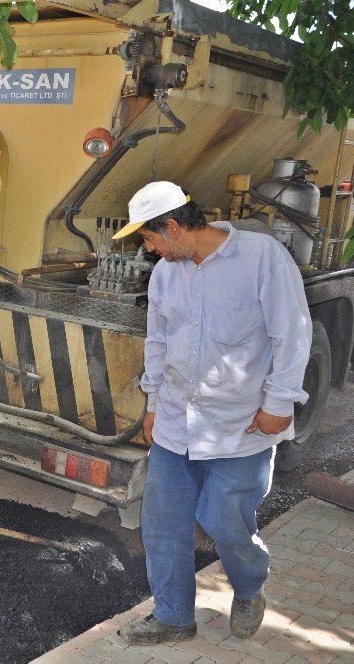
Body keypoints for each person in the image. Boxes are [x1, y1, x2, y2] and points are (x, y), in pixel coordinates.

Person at [113, 181, 311, 644]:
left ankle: (248, 587)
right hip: (176, 423)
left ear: (176, 227)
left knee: (225, 521)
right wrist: (154, 405)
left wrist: (279, 404)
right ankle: (173, 616)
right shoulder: (166, 274)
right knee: (161, 524)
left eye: (150, 237)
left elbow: (292, 333)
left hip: (239, 425)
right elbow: (159, 342)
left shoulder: (261, 258)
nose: (148, 248)